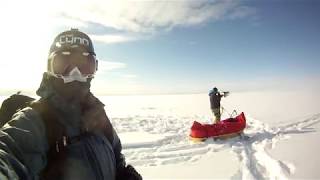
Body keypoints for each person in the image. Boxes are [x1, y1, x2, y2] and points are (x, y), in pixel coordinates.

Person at [0, 28, 142, 180]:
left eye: (84, 65)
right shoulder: (34, 121)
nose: (75, 74)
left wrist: (123, 174)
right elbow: (8, 155)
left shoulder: (98, 115)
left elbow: (116, 155)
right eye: (64, 63)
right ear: (50, 68)